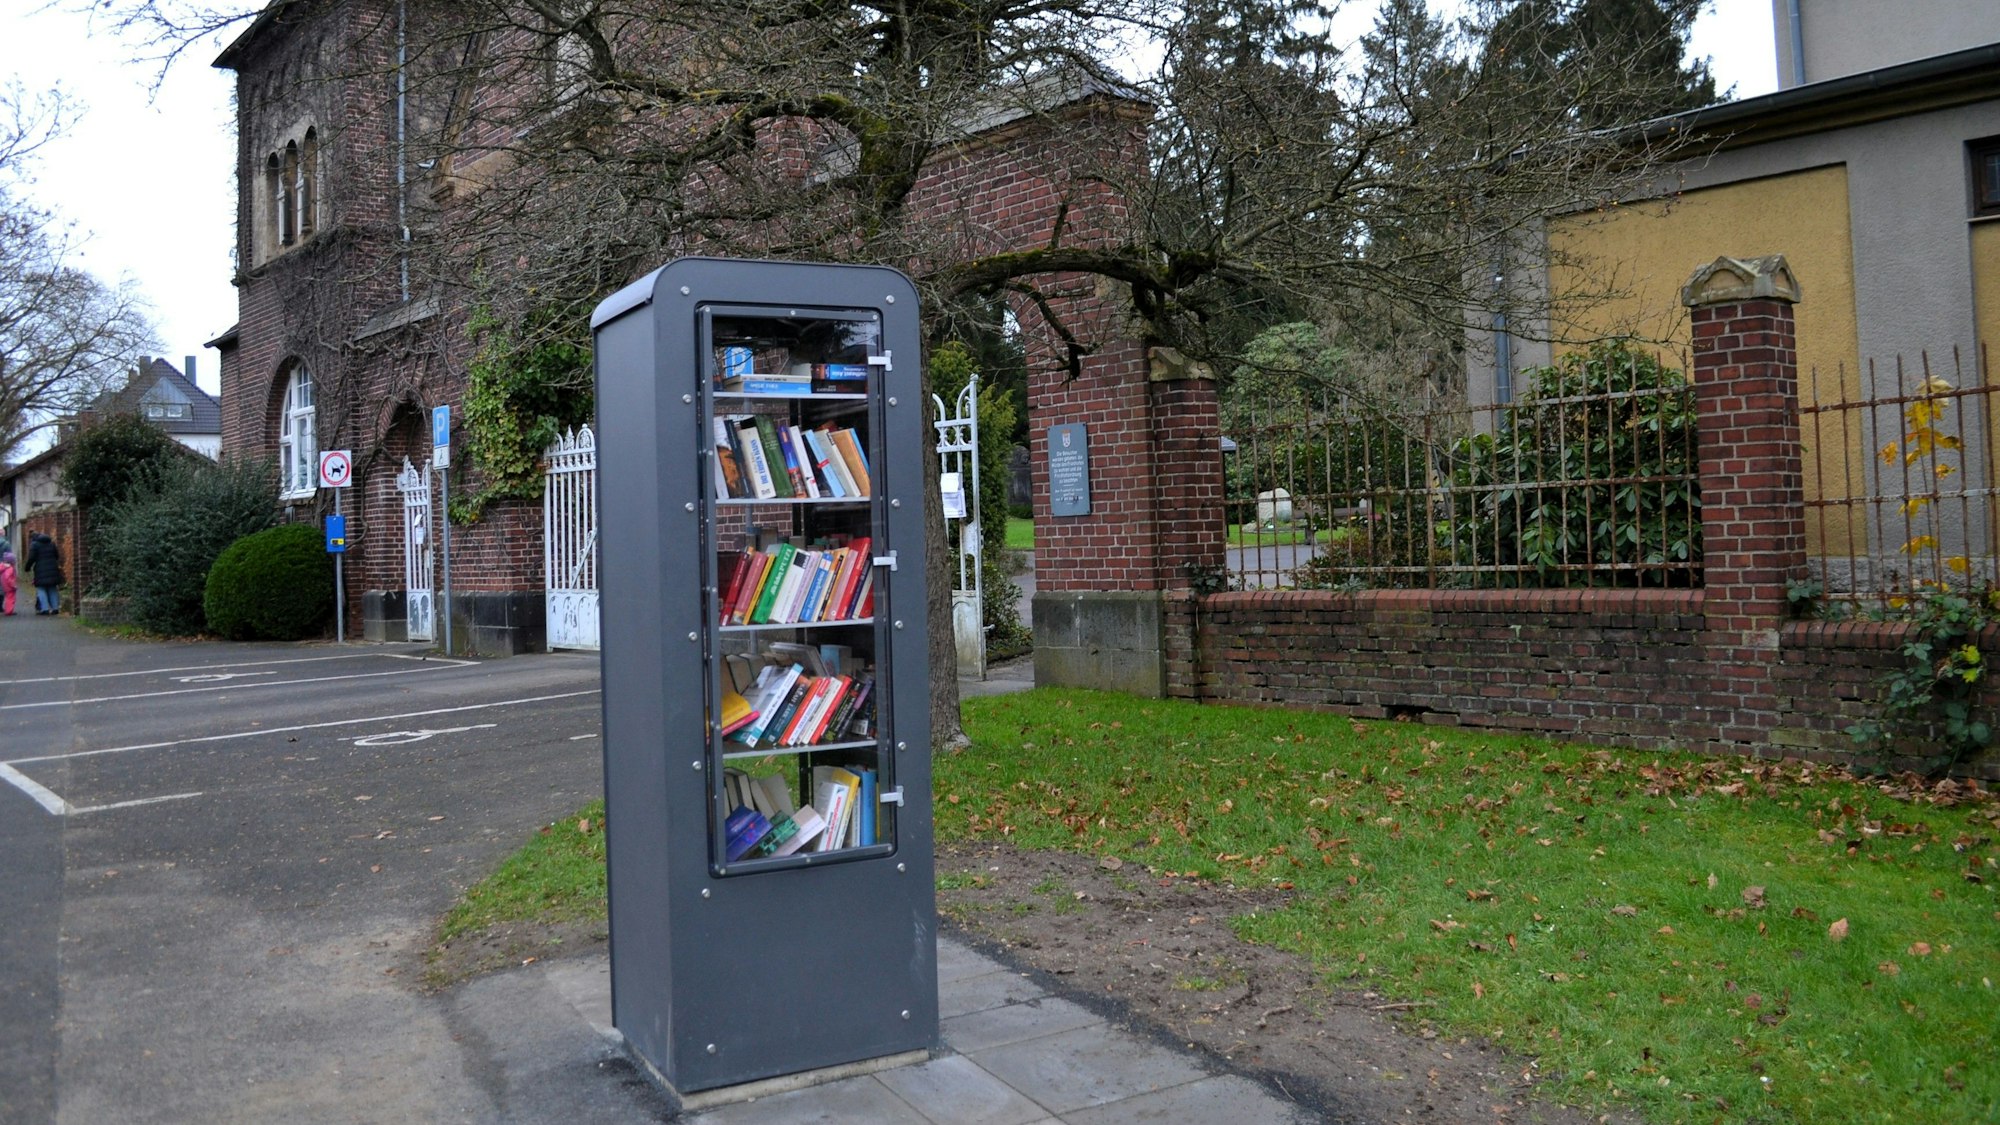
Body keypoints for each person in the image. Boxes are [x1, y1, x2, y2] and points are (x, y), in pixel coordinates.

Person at [25, 533, 62, 615]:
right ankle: (55, 608)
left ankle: (45, 609)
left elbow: (31, 558)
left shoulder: (34, 545)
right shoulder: (52, 544)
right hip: (53, 569)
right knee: (52, 588)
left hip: (40, 569)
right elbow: (57, 556)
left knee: (41, 589)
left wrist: (27, 568)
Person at [0, 551, 15, 616]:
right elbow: (8, 577)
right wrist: (13, 585)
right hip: (9, 586)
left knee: (7, 598)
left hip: (4, 585)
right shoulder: (10, 568)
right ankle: (9, 611)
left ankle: (8, 610)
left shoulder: (2, 566)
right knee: (10, 598)